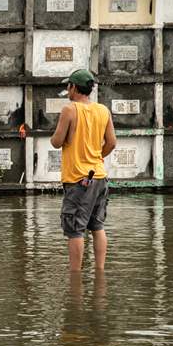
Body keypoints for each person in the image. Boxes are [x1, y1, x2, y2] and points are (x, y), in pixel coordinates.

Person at [50, 69, 116, 271]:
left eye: (68, 86)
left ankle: (75, 277)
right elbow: (112, 143)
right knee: (97, 226)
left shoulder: (69, 110)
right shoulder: (103, 110)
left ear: (74, 87)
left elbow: (56, 142)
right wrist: (95, 158)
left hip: (79, 179)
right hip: (99, 176)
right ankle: (100, 272)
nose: (67, 90)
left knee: (75, 230)